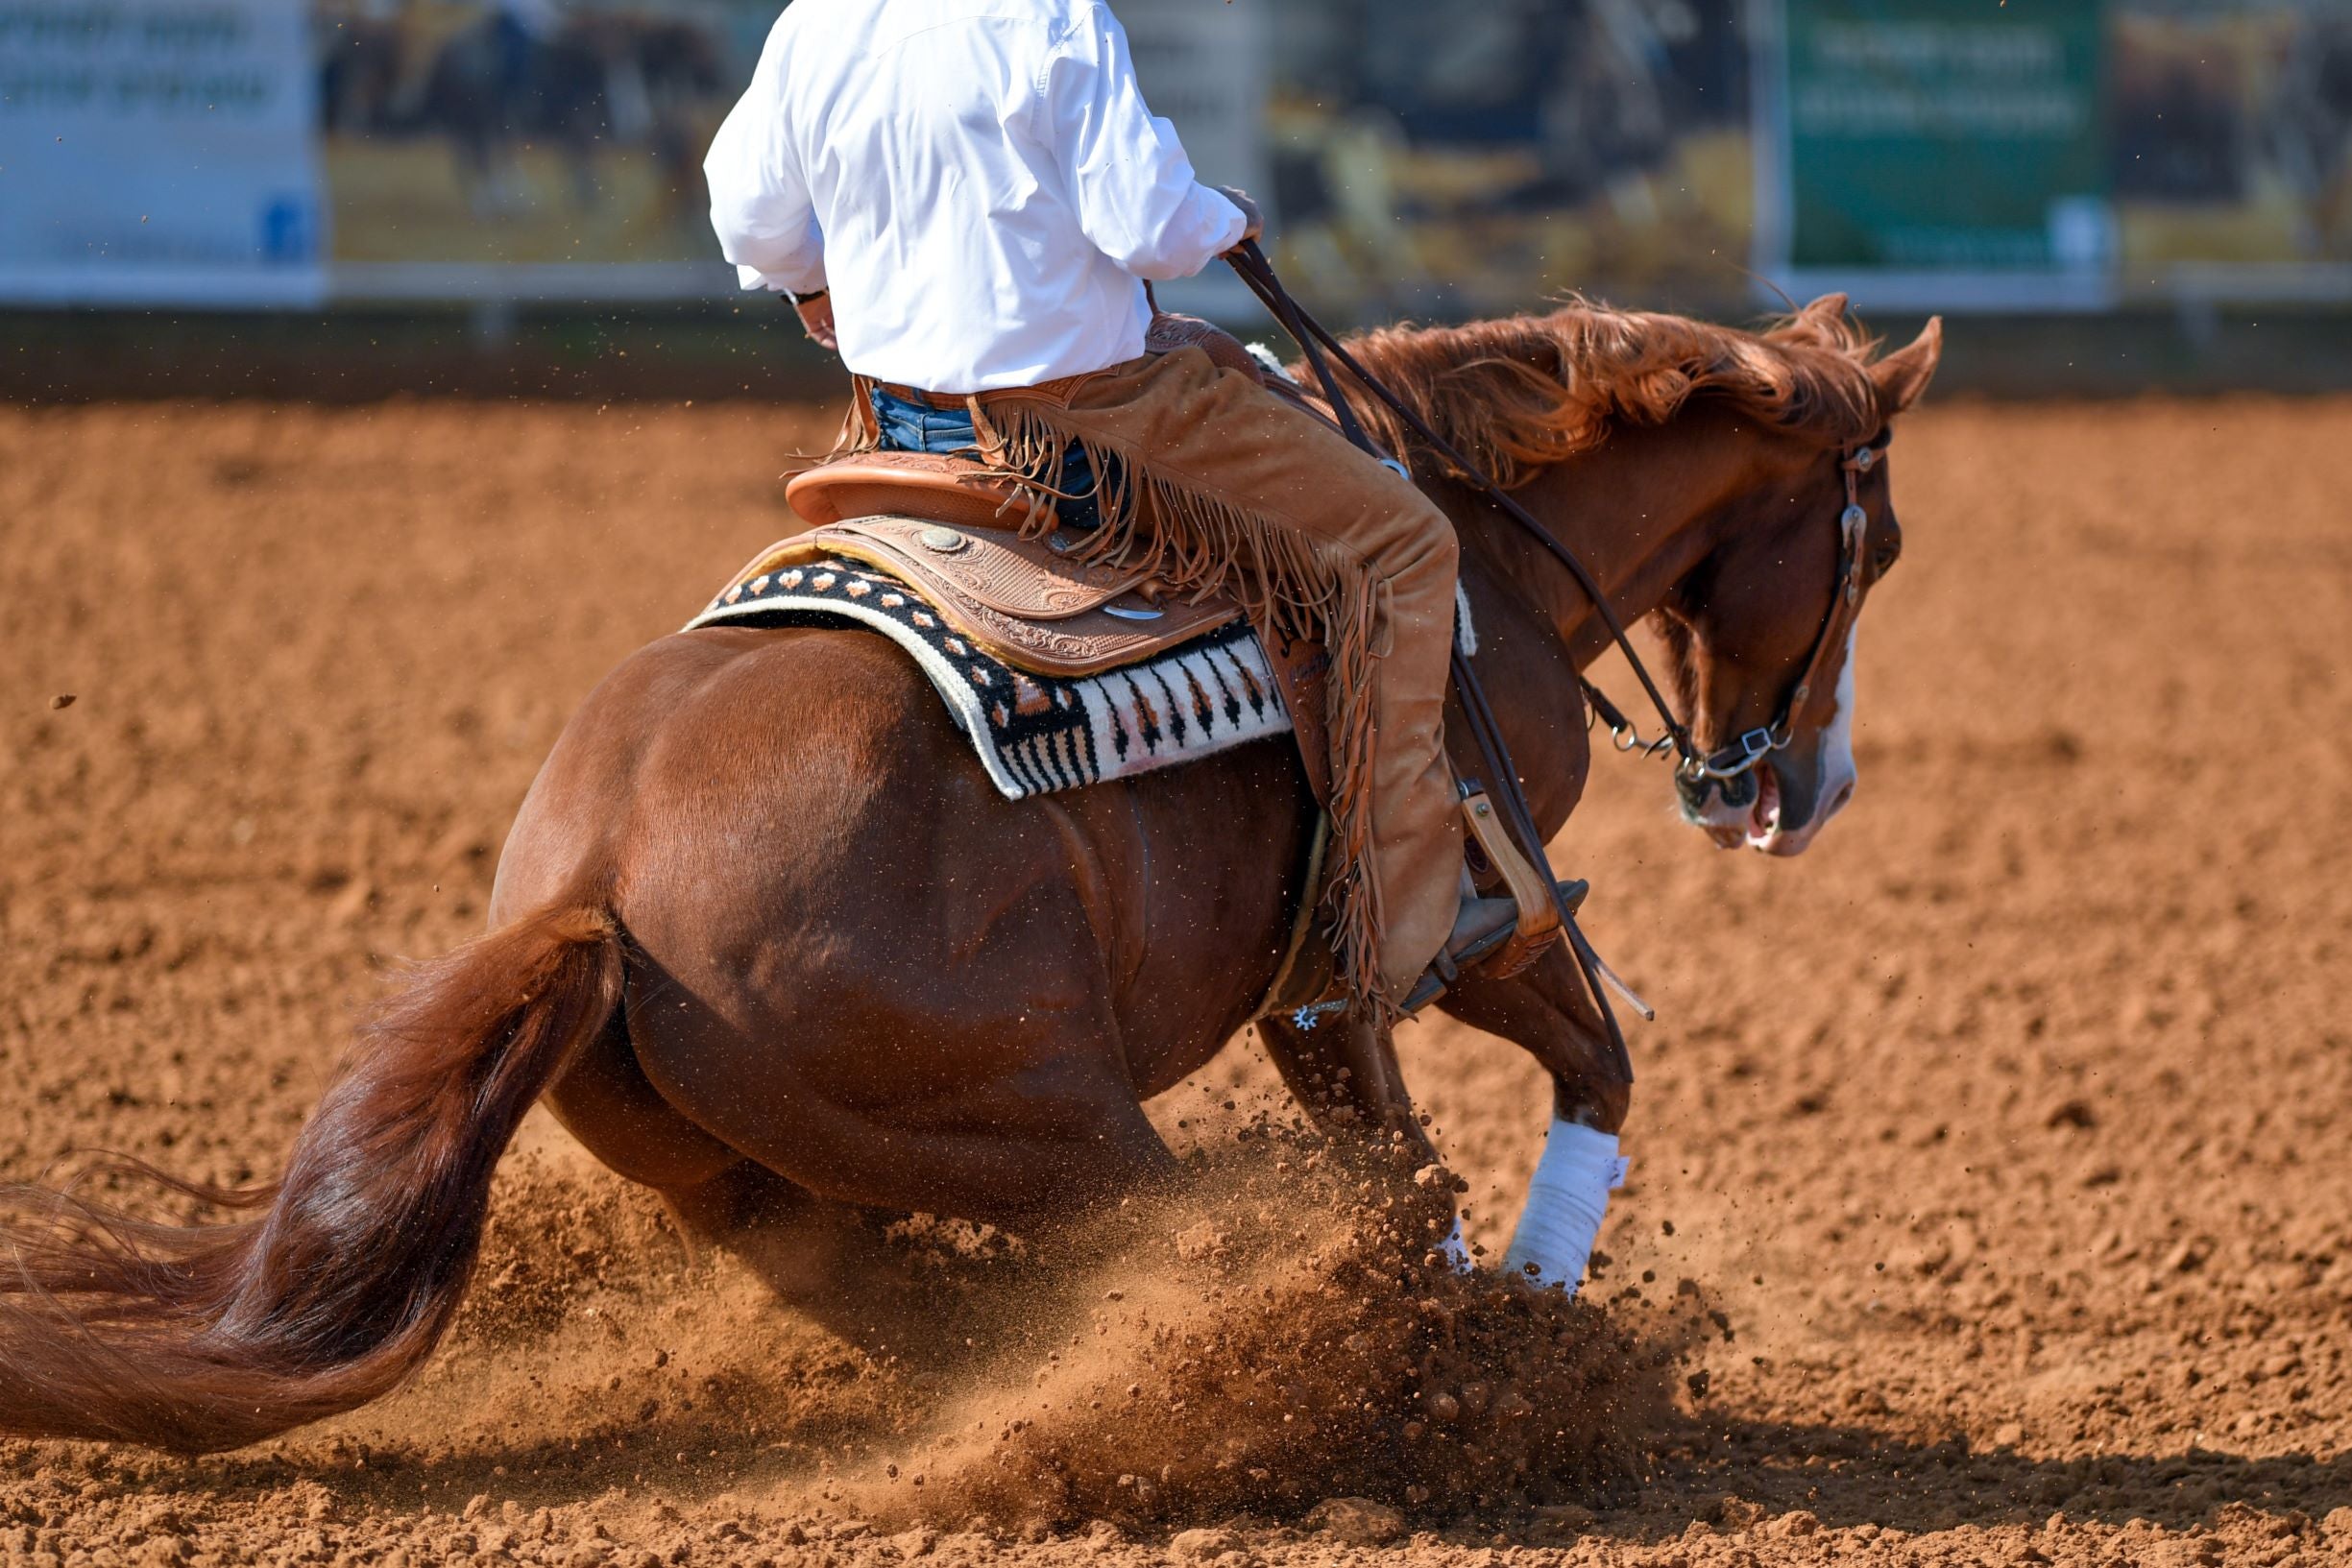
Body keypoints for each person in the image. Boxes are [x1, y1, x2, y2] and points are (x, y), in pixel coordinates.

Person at [702, 0, 1517, 1022]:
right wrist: (1225, 215)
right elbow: (1143, 224)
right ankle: (1406, 917)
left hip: (895, 426)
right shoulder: (1050, 17)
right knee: (1403, 544)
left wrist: (811, 282)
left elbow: (749, 220)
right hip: (1092, 427)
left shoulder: (814, 24)